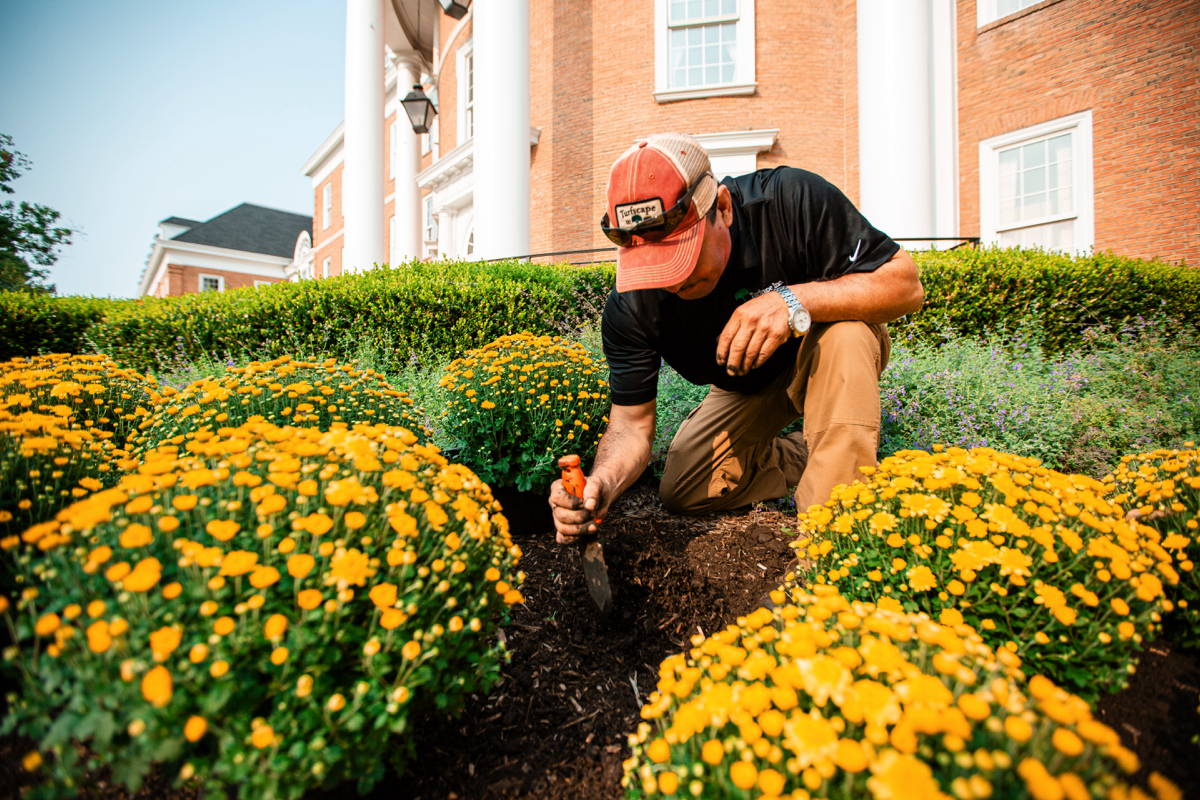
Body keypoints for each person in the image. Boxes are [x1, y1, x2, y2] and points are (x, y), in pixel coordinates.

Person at [550, 132, 923, 544]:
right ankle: (821, 455)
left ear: (723, 208)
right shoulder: (631, 305)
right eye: (654, 264)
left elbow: (905, 285)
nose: (671, 281)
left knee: (846, 335)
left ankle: (831, 551)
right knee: (685, 488)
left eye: (682, 255)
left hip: (827, 349)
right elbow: (631, 426)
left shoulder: (787, 201)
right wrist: (601, 482)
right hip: (750, 382)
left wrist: (793, 301)